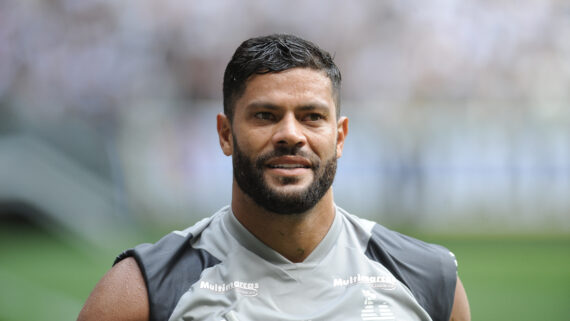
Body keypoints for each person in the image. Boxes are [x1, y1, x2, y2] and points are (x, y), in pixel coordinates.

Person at [77, 34, 470, 321]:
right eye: (265, 115)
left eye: (312, 117)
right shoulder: (144, 291)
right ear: (226, 134)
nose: (290, 134)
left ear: (340, 136)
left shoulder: (427, 280)